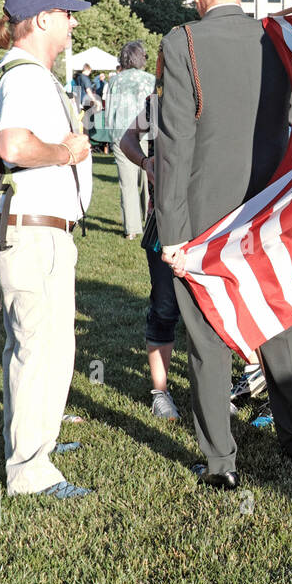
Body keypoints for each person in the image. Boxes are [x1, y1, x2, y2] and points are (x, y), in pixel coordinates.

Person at [157, 0, 292, 489]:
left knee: (206, 340)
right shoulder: (278, 41)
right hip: (271, 209)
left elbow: (174, 144)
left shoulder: (182, 42)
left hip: (205, 213)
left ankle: (221, 463)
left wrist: (173, 233)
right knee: (282, 321)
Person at [0, 0, 95, 498]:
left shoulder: (28, 74)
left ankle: (38, 441)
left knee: (47, 348)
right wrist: (65, 153)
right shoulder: (26, 77)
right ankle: (29, 470)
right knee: (36, 349)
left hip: (38, 232)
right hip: (34, 233)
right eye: (67, 14)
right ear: (43, 19)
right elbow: (14, 145)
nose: (74, 22)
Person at [118, 93, 182, 421]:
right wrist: (145, 162)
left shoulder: (219, 88)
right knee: (165, 307)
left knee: (213, 311)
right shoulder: (157, 102)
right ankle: (161, 392)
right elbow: (127, 137)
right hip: (165, 222)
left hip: (213, 224)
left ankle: (220, 386)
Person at [105, 41, 157, 240]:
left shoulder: (115, 81)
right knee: (147, 178)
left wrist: (112, 136)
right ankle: (149, 217)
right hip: (145, 135)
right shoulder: (150, 80)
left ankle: (132, 229)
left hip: (121, 135)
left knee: (127, 184)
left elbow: (109, 111)